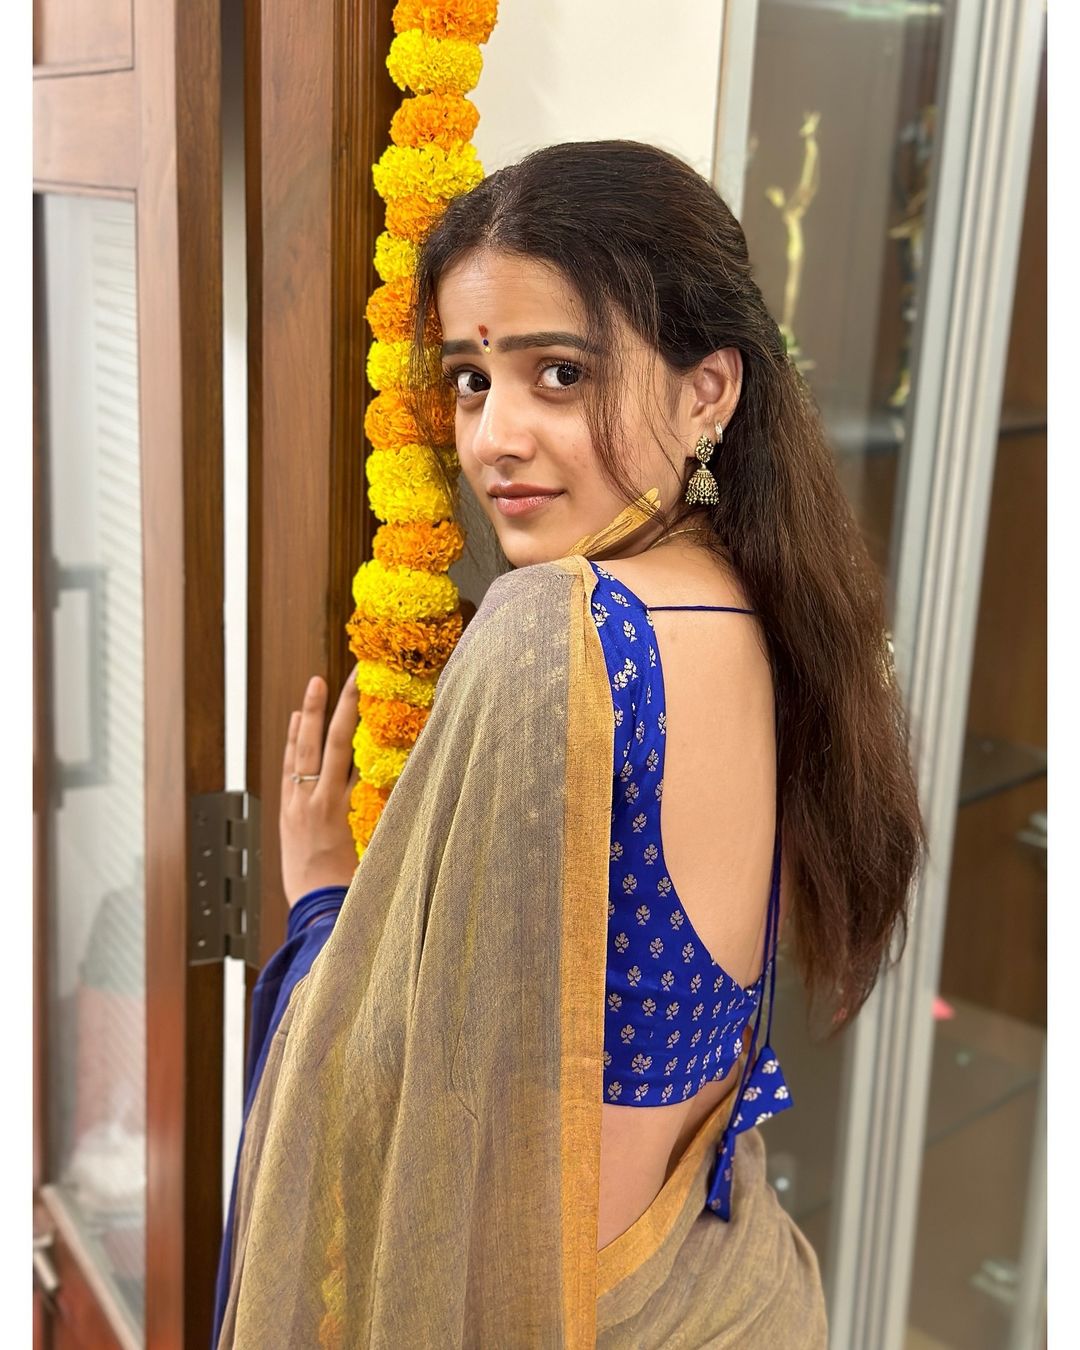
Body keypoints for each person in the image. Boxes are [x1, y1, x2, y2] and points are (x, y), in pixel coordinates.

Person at [213, 140, 927, 1347]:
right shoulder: (757, 602)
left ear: (709, 390)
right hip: (732, 1286)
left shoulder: (564, 631)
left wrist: (326, 899)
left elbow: (423, 1098)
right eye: (470, 379)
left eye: (560, 373)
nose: (495, 436)